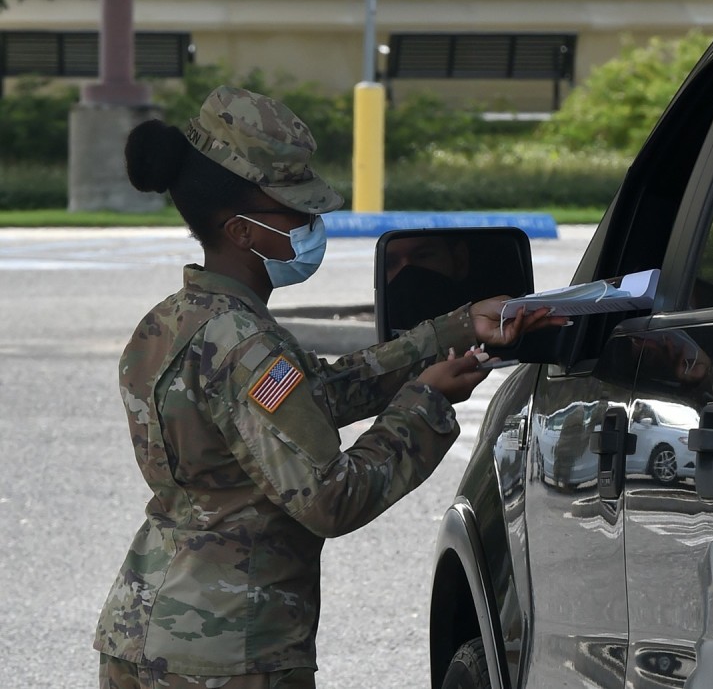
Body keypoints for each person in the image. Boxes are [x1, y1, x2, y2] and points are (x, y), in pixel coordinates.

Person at [94, 85, 562, 689]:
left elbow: (314, 396)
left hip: (142, 631)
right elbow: (330, 498)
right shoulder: (246, 346)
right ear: (241, 231)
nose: (314, 226)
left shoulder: (170, 322)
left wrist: (450, 328)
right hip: (234, 651)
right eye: (297, 214)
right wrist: (427, 402)